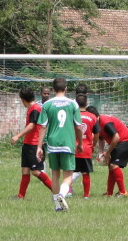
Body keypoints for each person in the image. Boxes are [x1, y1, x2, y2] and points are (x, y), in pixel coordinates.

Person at [36, 78, 83, 211]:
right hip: (67, 143)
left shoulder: (46, 105)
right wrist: (79, 143)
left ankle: (57, 205)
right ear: (66, 88)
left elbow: (43, 127)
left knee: (55, 174)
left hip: (52, 143)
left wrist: (39, 147)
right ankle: (62, 195)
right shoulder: (73, 104)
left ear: (53, 89)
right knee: (68, 175)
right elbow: (79, 127)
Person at [9, 87, 53, 199]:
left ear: (23, 99)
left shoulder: (35, 109)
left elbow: (32, 126)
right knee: (25, 170)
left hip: (34, 145)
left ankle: (57, 191)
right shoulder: (32, 108)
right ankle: (20, 195)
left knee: (36, 171)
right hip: (28, 144)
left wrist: (17, 136)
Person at [88, 106, 128, 197]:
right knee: (111, 166)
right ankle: (109, 193)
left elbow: (116, 137)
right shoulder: (96, 124)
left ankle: (123, 192)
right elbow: (101, 139)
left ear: (94, 116)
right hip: (118, 143)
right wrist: (101, 152)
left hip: (125, 141)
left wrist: (108, 152)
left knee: (114, 165)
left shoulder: (105, 122)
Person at [71, 93, 99, 199]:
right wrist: (94, 145)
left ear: (76, 105)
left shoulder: (73, 115)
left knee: (70, 172)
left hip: (73, 148)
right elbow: (97, 133)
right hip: (86, 148)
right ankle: (86, 195)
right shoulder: (92, 117)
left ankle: (68, 191)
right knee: (85, 173)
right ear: (87, 104)